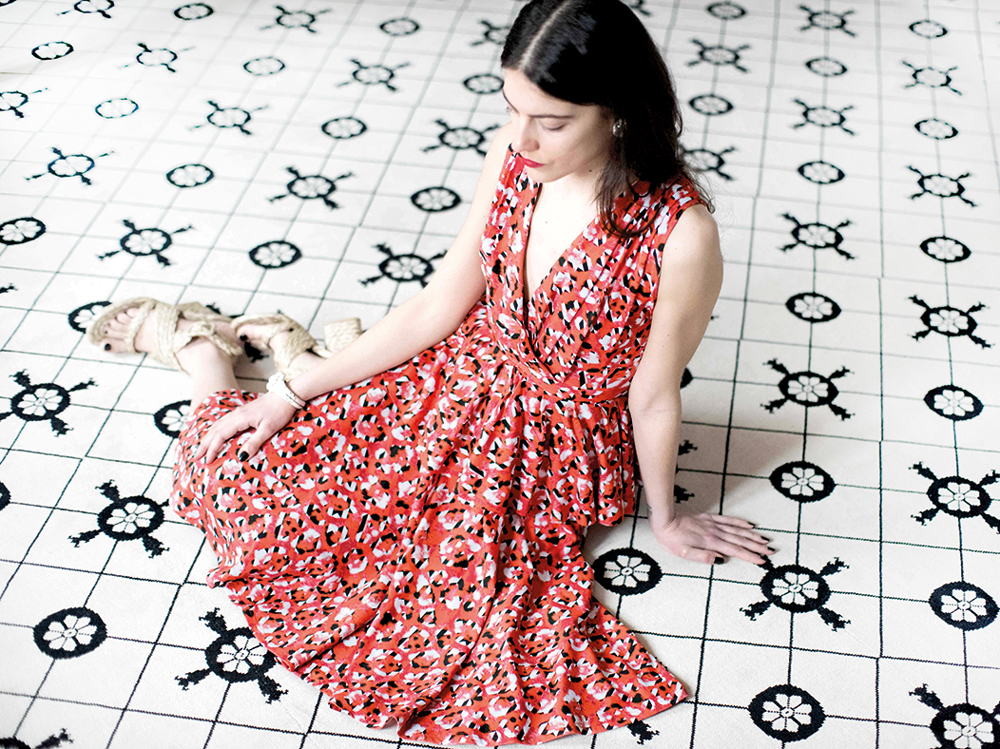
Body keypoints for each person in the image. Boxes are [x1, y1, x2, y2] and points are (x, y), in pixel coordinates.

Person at [87, 0, 774, 744]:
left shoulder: (680, 233)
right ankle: (210, 355)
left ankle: (260, 349)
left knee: (428, 615)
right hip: (457, 377)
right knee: (237, 470)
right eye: (512, 109)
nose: (522, 139)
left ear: (618, 113)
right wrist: (289, 393)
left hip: (550, 447)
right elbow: (441, 303)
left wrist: (666, 515)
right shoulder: (514, 158)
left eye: (551, 122)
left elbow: (654, 393)